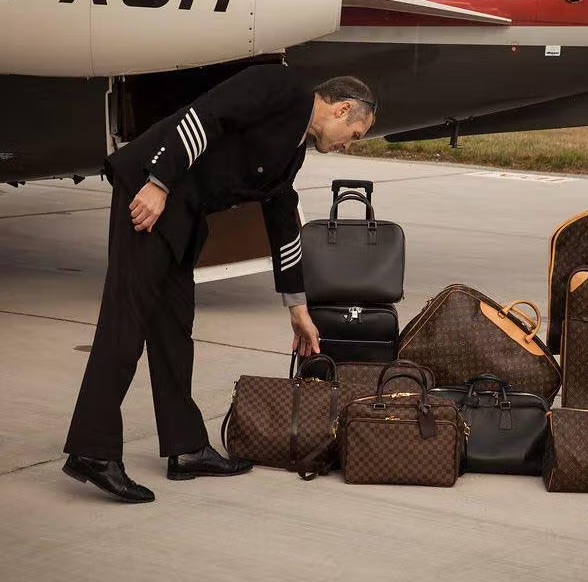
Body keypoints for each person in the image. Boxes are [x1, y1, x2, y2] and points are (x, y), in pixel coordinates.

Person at [61, 66, 377, 503]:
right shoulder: (278, 86)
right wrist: (158, 183)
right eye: (354, 133)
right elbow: (203, 116)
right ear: (342, 108)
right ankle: (91, 451)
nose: (348, 144)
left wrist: (296, 306)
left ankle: (186, 448)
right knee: (126, 322)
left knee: (174, 330)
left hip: (181, 213)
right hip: (151, 192)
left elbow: (282, 211)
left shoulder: (291, 148)